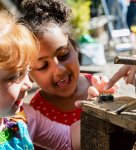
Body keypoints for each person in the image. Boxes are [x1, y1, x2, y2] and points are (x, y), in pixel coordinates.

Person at [19, 0, 118, 127]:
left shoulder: (98, 86)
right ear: (29, 74)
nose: (59, 70)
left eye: (64, 55)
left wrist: (109, 101)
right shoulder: (36, 113)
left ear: (75, 48)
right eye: (43, 66)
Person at [0, 10, 80, 150]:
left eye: (27, 72)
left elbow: (69, 139)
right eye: (15, 76)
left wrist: (99, 107)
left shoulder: (25, 117)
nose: (29, 84)